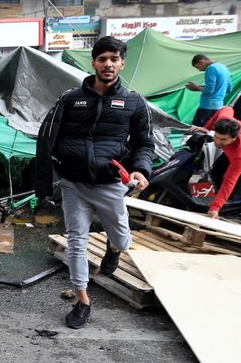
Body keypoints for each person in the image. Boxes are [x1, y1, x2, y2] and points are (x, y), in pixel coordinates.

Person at [34, 36, 154, 329]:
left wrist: (140, 170)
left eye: (114, 59)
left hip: (110, 183)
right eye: (102, 59)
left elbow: (144, 143)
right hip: (74, 183)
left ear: (122, 63)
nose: (108, 64)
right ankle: (82, 300)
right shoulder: (71, 98)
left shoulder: (134, 102)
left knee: (123, 239)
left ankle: (114, 249)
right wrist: (43, 183)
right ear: (94, 63)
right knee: (77, 240)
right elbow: (46, 138)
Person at [185, 54, 231, 127]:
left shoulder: (211, 68)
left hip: (207, 108)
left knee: (196, 131)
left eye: (197, 67)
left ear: (201, 61)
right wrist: (200, 88)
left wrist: (196, 87)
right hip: (219, 107)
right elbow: (228, 89)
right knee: (213, 132)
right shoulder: (224, 68)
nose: (199, 70)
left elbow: (210, 90)